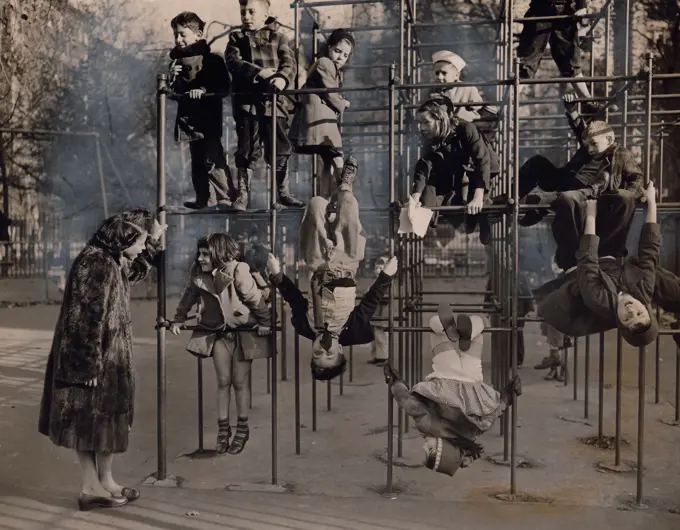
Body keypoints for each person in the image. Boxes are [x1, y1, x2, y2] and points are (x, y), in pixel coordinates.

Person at [38, 211, 165, 511]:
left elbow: (133, 271)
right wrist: (86, 366)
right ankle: (90, 487)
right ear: (126, 236)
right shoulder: (95, 263)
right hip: (95, 360)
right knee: (88, 421)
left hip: (109, 359)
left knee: (106, 421)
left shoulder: (110, 259)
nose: (141, 248)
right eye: (141, 241)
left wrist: (154, 242)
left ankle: (105, 481)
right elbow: (83, 319)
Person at [266, 156, 397, 380]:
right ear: (340, 350)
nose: (324, 348)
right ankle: (345, 184)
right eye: (330, 354)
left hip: (318, 265)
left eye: (318, 353)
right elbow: (369, 302)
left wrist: (277, 274)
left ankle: (328, 178)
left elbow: (294, 298)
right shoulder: (353, 331)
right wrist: (386, 276)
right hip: (347, 263)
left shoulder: (305, 327)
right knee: (348, 203)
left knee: (316, 204)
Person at [384, 304, 521, 476]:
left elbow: (493, 415)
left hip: (472, 376)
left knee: (480, 325)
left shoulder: (472, 433)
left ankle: (471, 330)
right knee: (435, 327)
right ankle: (444, 327)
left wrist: (509, 394)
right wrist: (396, 382)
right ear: (443, 449)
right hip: (446, 371)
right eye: (430, 449)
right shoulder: (429, 427)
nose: (424, 446)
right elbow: (409, 404)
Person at [534, 182, 673, 347]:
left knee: (569, 203)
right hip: (610, 254)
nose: (631, 310)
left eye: (627, 318)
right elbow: (650, 249)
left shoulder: (600, 302)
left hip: (576, 259)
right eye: (639, 313)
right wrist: (652, 203)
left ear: (619, 321)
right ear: (646, 308)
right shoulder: (645, 289)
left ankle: (548, 200)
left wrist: (591, 216)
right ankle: (600, 187)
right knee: (625, 199)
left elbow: (587, 259)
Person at [171, 233, 271, 455]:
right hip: (218, 331)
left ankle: (242, 429)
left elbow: (255, 298)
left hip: (243, 331)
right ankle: (223, 429)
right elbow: (189, 296)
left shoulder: (238, 270)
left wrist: (265, 322)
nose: (200, 258)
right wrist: (179, 318)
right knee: (223, 381)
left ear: (218, 254)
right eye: (200, 254)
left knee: (239, 381)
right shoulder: (198, 274)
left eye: (206, 254)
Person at [516, 94, 643, 234]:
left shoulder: (620, 154)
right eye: (587, 145)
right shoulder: (592, 143)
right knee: (537, 162)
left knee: (572, 196)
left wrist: (626, 198)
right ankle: (512, 197)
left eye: (593, 144)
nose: (590, 149)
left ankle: (542, 207)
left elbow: (637, 178)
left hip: (585, 191)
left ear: (608, 139)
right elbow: (581, 129)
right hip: (565, 179)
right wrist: (572, 110)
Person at [225, 0, 304, 210]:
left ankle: (283, 192)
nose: (246, 16)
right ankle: (243, 195)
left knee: (278, 146)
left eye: (251, 12)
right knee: (246, 148)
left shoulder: (279, 37)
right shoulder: (236, 38)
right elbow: (233, 62)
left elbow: (289, 63)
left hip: (273, 102)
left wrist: (282, 79)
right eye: (243, 12)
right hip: (247, 104)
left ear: (266, 13)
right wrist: (258, 72)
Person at [406, 97, 493, 245]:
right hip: (454, 166)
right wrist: (415, 196)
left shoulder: (466, 129)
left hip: (480, 165)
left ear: (440, 119)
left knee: (477, 196)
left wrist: (478, 197)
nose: (421, 128)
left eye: (426, 122)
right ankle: (426, 218)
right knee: (431, 187)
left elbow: (482, 162)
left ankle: (483, 215)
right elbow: (424, 165)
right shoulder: (429, 136)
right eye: (419, 123)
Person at [168, 12, 233, 210]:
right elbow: (174, 93)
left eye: (183, 35)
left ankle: (226, 197)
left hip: (208, 118)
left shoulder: (212, 60)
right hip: (189, 120)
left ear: (198, 35)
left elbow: (223, 86)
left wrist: (203, 90)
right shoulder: (176, 63)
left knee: (213, 158)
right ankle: (203, 198)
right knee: (196, 161)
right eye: (175, 35)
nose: (178, 40)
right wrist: (172, 78)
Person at [290, 29, 354, 199]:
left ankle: (326, 196)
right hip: (319, 119)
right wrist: (342, 103)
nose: (340, 57)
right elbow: (330, 91)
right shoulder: (324, 62)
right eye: (337, 51)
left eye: (345, 55)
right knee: (337, 152)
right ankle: (344, 187)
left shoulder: (331, 67)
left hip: (321, 117)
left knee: (328, 160)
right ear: (329, 48)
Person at [516, 0, 601, 107]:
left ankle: (588, 102)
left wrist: (581, 6)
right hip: (539, 11)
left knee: (571, 61)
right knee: (526, 63)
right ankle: (505, 103)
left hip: (564, 13)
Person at [430, 50, 500, 141]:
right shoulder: (432, 91)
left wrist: (473, 104)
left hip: (465, 128)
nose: (439, 77)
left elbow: (477, 106)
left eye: (444, 73)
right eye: (437, 73)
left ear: (456, 75)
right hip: (445, 130)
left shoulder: (467, 88)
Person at [368, 256, 389, 367]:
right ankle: (376, 355)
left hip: (382, 312)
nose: (378, 271)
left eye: (381, 269)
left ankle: (384, 357)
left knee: (381, 336)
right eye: (376, 268)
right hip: (374, 312)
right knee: (374, 336)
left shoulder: (386, 283)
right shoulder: (375, 282)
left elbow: (386, 297)